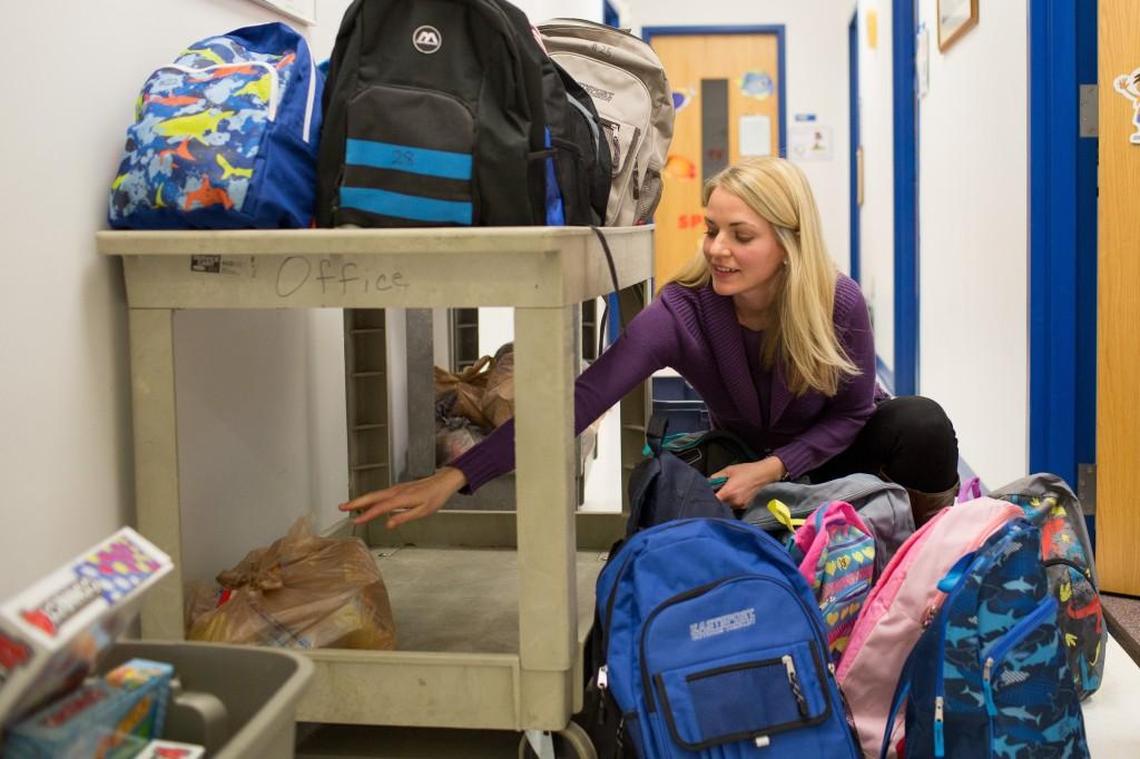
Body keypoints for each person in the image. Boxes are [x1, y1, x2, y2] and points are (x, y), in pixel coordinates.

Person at [340, 157, 960, 530]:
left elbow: (854, 411)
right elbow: (581, 399)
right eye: (712, 229)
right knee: (670, 499)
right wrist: (455, 476)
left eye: (741, 235)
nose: (717, 249)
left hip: (827, 453)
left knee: (923, 423)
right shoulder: (681, 312)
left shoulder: (837, 300)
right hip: (736, 459)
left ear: (788, 244)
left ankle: (919, 557)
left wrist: (776, 468)